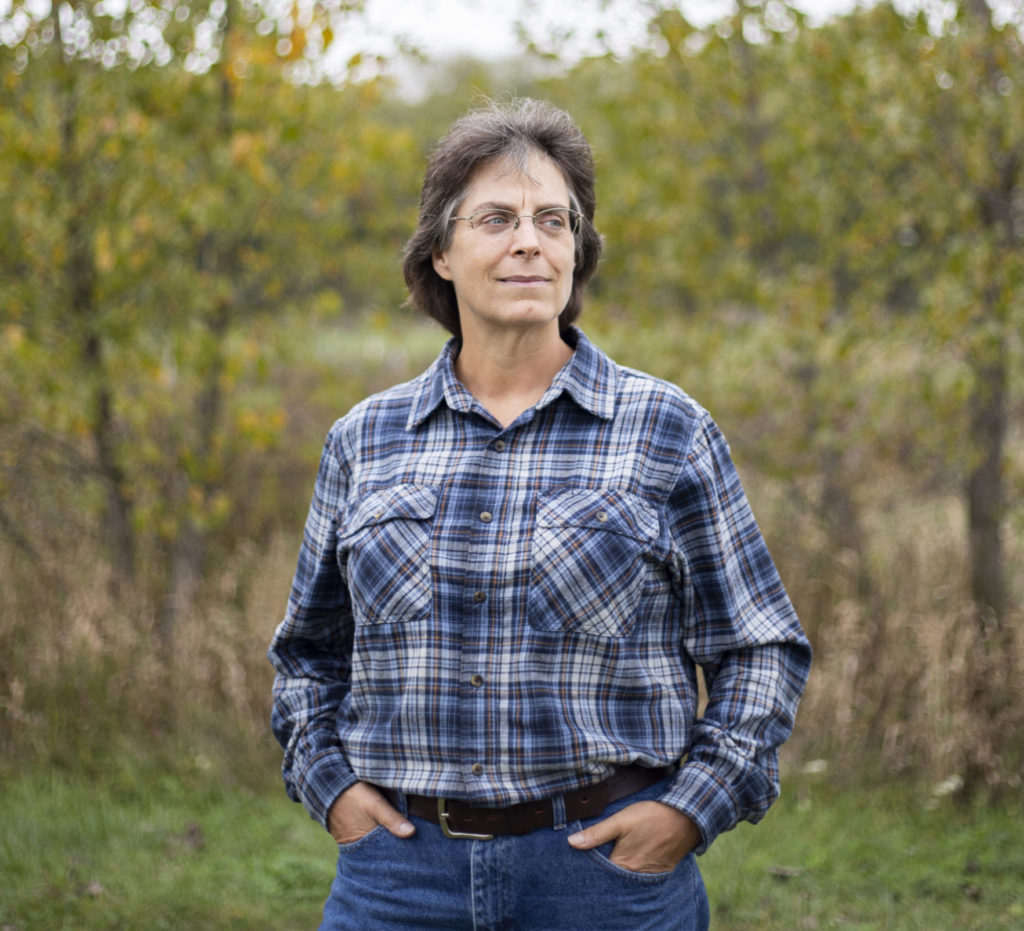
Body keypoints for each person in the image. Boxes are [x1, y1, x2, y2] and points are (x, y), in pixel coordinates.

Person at [268, 97, 811, 930]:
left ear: (575, 252)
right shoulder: (365, 439)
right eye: (496, 218)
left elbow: (760, 647)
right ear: (441, 254)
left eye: (552, 220)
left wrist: (690, 809)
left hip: (605, 880)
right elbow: (307, 653)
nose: (529, 239)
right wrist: (333, 789)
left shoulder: (666, 430)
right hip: (398, 878)